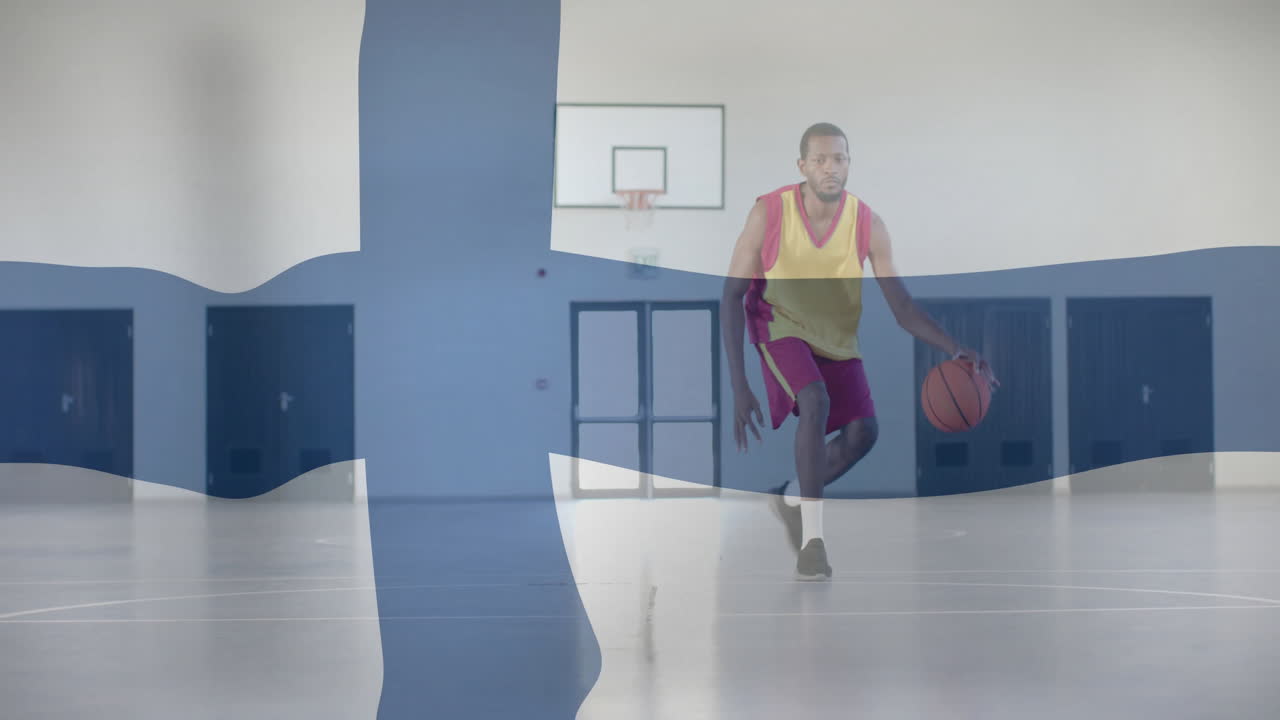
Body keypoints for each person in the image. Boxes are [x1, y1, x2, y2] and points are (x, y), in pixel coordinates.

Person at [721, 122, 998, 580]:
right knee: (814, 399)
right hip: (778, 326)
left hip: (836, 337)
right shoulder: (769, 214)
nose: (832, 168)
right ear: (803, 166)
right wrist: (739, 385)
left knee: (863, 434)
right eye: (822, 159)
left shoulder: (869, 224)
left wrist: (955, 348)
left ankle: (789, 496)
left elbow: (903, 308)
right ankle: (813, 542)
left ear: (849, 163)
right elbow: (730, 296)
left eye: (840, 159)